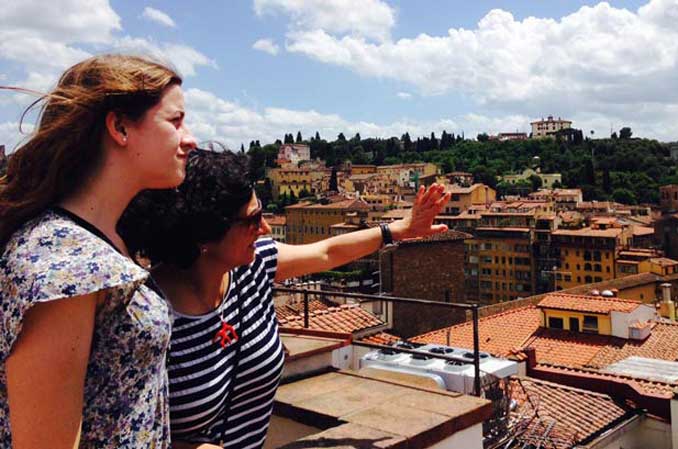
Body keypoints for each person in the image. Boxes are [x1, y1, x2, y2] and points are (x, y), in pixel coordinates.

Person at [119, 150, 451, 449]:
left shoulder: (255, 266)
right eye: (252, 219)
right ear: (205, 233)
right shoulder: (144, 312)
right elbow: (127, 433)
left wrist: (398, 230)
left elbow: (326, 252)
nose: (265, 228)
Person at [0, 54, 197, 448]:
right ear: (120, 127)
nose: (190, 138)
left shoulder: (97, 240)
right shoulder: (64, 263)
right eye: (175, 121)